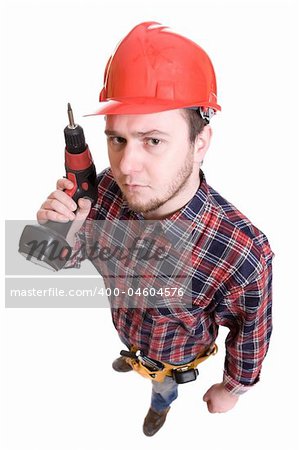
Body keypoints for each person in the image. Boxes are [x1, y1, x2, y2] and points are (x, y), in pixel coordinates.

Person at [36, 22, 274, 436]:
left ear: (200, 143)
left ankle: (160, 403)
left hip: (176, 356)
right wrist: (59, 235)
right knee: (136, 352)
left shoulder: (241, 253)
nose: (126, 167)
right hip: (127, 326)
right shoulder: (107, 192)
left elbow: (250, 333)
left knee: (161, 384)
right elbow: (68, 260)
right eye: (118, 139)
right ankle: (133, 357)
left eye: (153, 141)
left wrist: (234, 389)